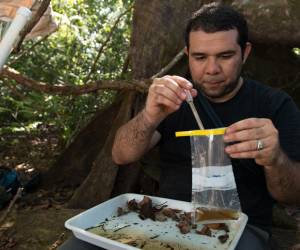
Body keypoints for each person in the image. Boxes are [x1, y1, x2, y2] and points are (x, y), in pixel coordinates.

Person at [59, 3, 300, 250]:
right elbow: (121, 155)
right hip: (165, 220)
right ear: (187, 54)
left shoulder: (274, 105)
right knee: (77, 246)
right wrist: (150, 116)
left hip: (241, 227)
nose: (212, 69)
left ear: (245, 52)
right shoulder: (175, 99)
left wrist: (275, 158)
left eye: (225, 56)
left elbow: (293, 195)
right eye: (200, 57)